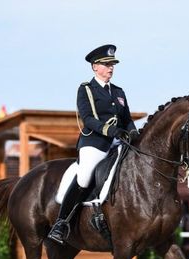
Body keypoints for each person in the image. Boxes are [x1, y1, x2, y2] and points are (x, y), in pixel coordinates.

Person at [48, 44, 140, 244]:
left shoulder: (118, 91)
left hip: (117, 143)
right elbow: (88, 119)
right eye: (106, 64)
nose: (111, 68)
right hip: (95, 143)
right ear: (95, 66)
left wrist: (133, 132)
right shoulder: (86, 90)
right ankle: (61, 223)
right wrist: (111, 130)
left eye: (112, 64)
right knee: (85, 176)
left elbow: (127, 118)